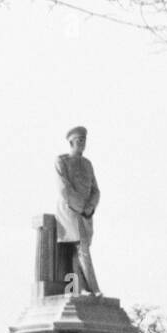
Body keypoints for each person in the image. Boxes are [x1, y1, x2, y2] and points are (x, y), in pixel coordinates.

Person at [55, 125, 102, 295]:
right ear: (71, 142)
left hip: (86, 214)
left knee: (78, 251)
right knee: (82, 249)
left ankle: (78, 289)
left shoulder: (88, 164)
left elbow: (96, 190)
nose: (82, 143)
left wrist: (90, 208)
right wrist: (81, 207)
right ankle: (93, 288)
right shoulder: (62, 161)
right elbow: (64, 189)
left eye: (84, 140)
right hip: (70, 212)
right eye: (79, 140)